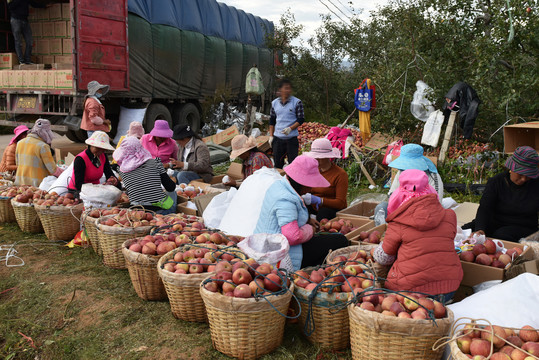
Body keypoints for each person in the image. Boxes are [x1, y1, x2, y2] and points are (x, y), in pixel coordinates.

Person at [373, 169, 463, 302]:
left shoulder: (399, 220)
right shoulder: (449, 216)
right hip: (449, 287)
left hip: (410, 293)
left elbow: (384, 258)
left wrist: (375, 251)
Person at [254, 155, 348, 271]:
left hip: (268, 244)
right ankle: (309, 270)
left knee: (330, 239)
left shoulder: (280, 185)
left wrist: (307, 219)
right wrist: (310, 229)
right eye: (309, 185)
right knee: (340, 240)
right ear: (301, 183)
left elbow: (286, 216)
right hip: (279, 254)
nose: (311, 189)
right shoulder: (285, 199)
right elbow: (292, 237)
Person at [464, 146, 539, 242]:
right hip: (496, 221)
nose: (524, 179)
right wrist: (480, 229)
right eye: (520, 174)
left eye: (528, 176)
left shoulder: (536, 184)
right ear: (511, 168)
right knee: (466, 229)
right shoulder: (496, 182)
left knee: (501, 236)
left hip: (523, 226)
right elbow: (484, 209)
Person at [374, 143, 444, 221]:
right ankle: (384, 229)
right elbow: (392, 194)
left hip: (423, 214)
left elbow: (436, 203)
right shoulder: (402, 171)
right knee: (381, 207)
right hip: (400, 211)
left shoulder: (432, 176)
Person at [113, 136, 177, 215]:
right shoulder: (156, 162)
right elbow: (170, 187)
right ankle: (171, 213)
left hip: (136, 212)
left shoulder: (121, 170)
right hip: (158, 211)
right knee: (173, 192)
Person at [302, 138, 348, 221]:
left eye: (319, 157)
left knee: (323, 213)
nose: (316, 159)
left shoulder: (340, 174)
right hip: (314, 207)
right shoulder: (313, 171)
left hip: (331, 208)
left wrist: (321, 201)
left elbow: (340, 203)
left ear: (327, 157)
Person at [67, 131, 118, 197]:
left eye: (102, 149)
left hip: (95, 189)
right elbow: (79, 184)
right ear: (91, 146)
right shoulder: (80, 159)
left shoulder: (103, 156)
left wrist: (114, 181)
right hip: (78, 190)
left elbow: (109, 173)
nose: (100, 151)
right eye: (97, 148)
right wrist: (97, 188)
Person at [15, 119, 63, 186]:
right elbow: (52, 169)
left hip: (20, 183)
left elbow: (18, 164)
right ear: (46, 133)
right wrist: (64, 174)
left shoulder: (20, 143)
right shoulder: (43, 146)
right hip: (37, 185)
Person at [269, 79, 305, 169]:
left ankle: (292, 182)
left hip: (291, 139)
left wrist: (290, 128)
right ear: (280, 90)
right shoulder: (274, 103)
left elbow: (301, 119)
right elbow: (272, 120)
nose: (288, 90)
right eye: (286, 88)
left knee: (293, 165)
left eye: (289, 88)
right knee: (277, 165)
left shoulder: (297, 102)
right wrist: (271, 136)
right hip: (278, 140)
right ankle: (279, 181)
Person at [8, 0, 46, 65]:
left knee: (30, 41)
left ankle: (27, 59)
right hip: (15, 20)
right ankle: (21, 61)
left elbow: (33, 3)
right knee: (18, 41)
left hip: (25, 20)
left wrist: (44, 6)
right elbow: (10, 6)